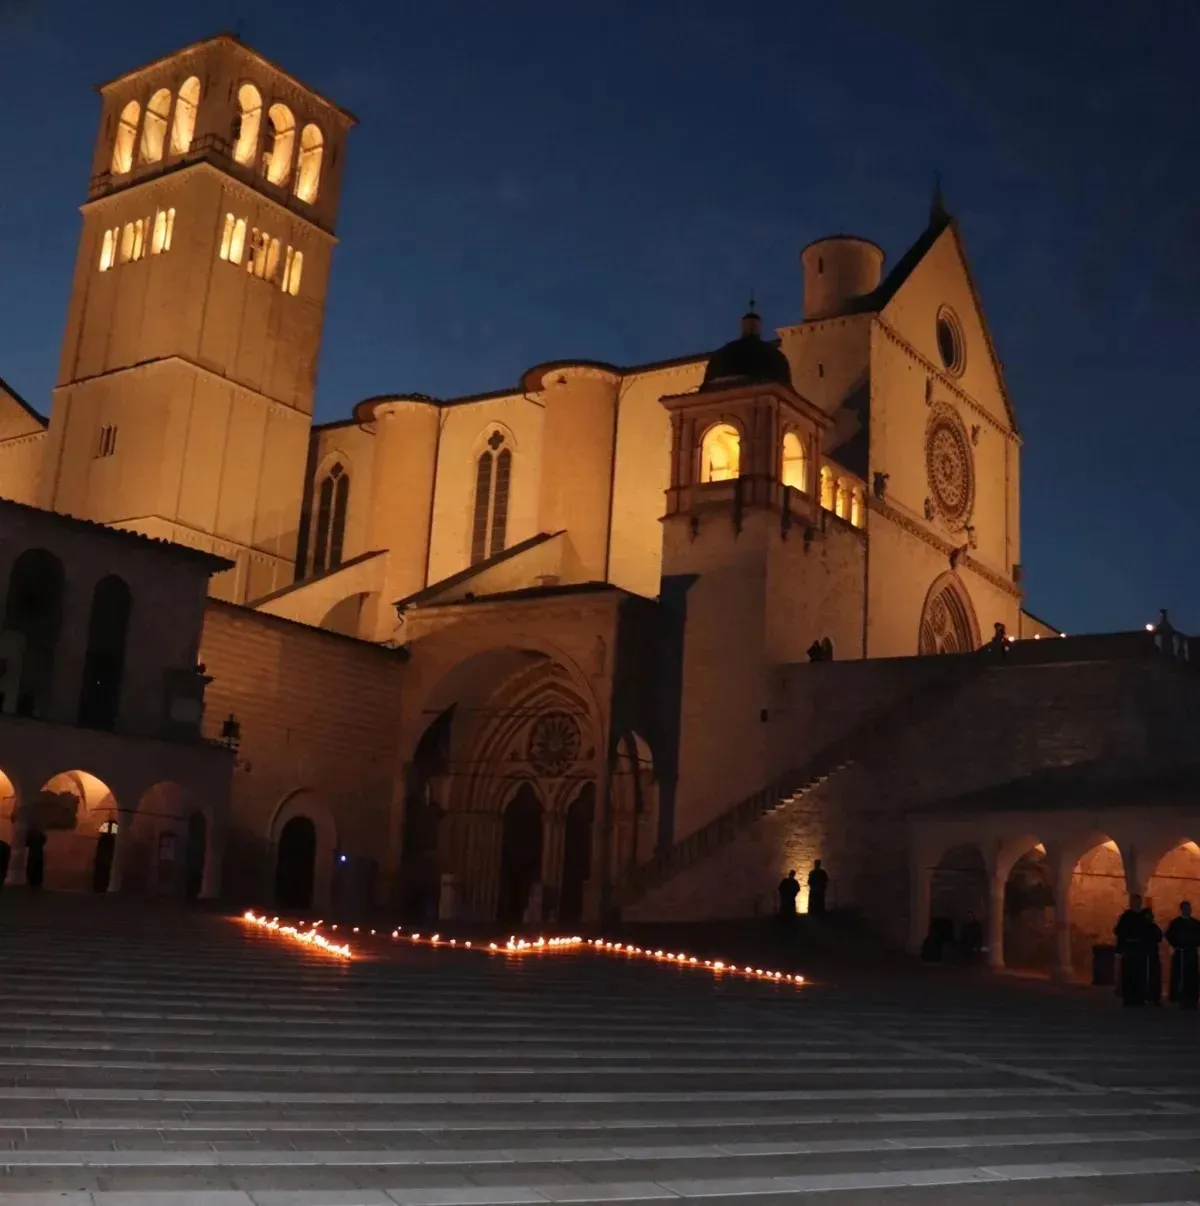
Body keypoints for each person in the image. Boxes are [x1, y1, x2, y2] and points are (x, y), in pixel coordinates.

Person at [1166, 901, 1200, 1010]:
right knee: (1180, 976)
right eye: (1185, 908)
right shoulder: (1176, 923)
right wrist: (1176, 945)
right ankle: (1180, 998)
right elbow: (1169, 935)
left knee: (1192, 977)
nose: (1187, 910)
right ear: (1182, 909)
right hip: (1180, 953)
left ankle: (1192, 999)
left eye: (1189, 908)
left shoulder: (1196, 923)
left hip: (1191, 953)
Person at [1114, 895, 1148, 1006]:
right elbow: (1119, 931)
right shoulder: (1126, 916)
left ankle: (1140, 998)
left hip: (1140, 948)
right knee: (1129, 974)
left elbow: (1149, 930)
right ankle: (1129, 999)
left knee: (1140, 974)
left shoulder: (1144, 916)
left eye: (1138, 901)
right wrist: (1121, 948)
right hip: (1129, 949)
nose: (1136, 903)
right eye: (1134, 901)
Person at [1142, 907, 1163, 1005]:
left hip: (1153, 953)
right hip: (1144, 953)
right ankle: (1144, 996)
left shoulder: (1154, 927)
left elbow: (1159, 936)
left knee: (1154, 975)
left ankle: (1154, 997)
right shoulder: (1141, 927)